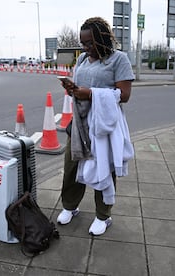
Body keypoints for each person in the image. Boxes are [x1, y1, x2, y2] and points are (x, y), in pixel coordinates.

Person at [57, 17, 135, 236]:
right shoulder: (82, 59)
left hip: (103, 125)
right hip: (79, 122)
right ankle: (70, 207)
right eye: (83, 43)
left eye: (90, 42)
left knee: (104, 169)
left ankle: (103, 215)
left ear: (102, 38)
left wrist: (90, 94)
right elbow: (81, 86)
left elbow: (125, 95)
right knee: (72, 167)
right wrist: (73, 89)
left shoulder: (119, 59)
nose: (86, 48)